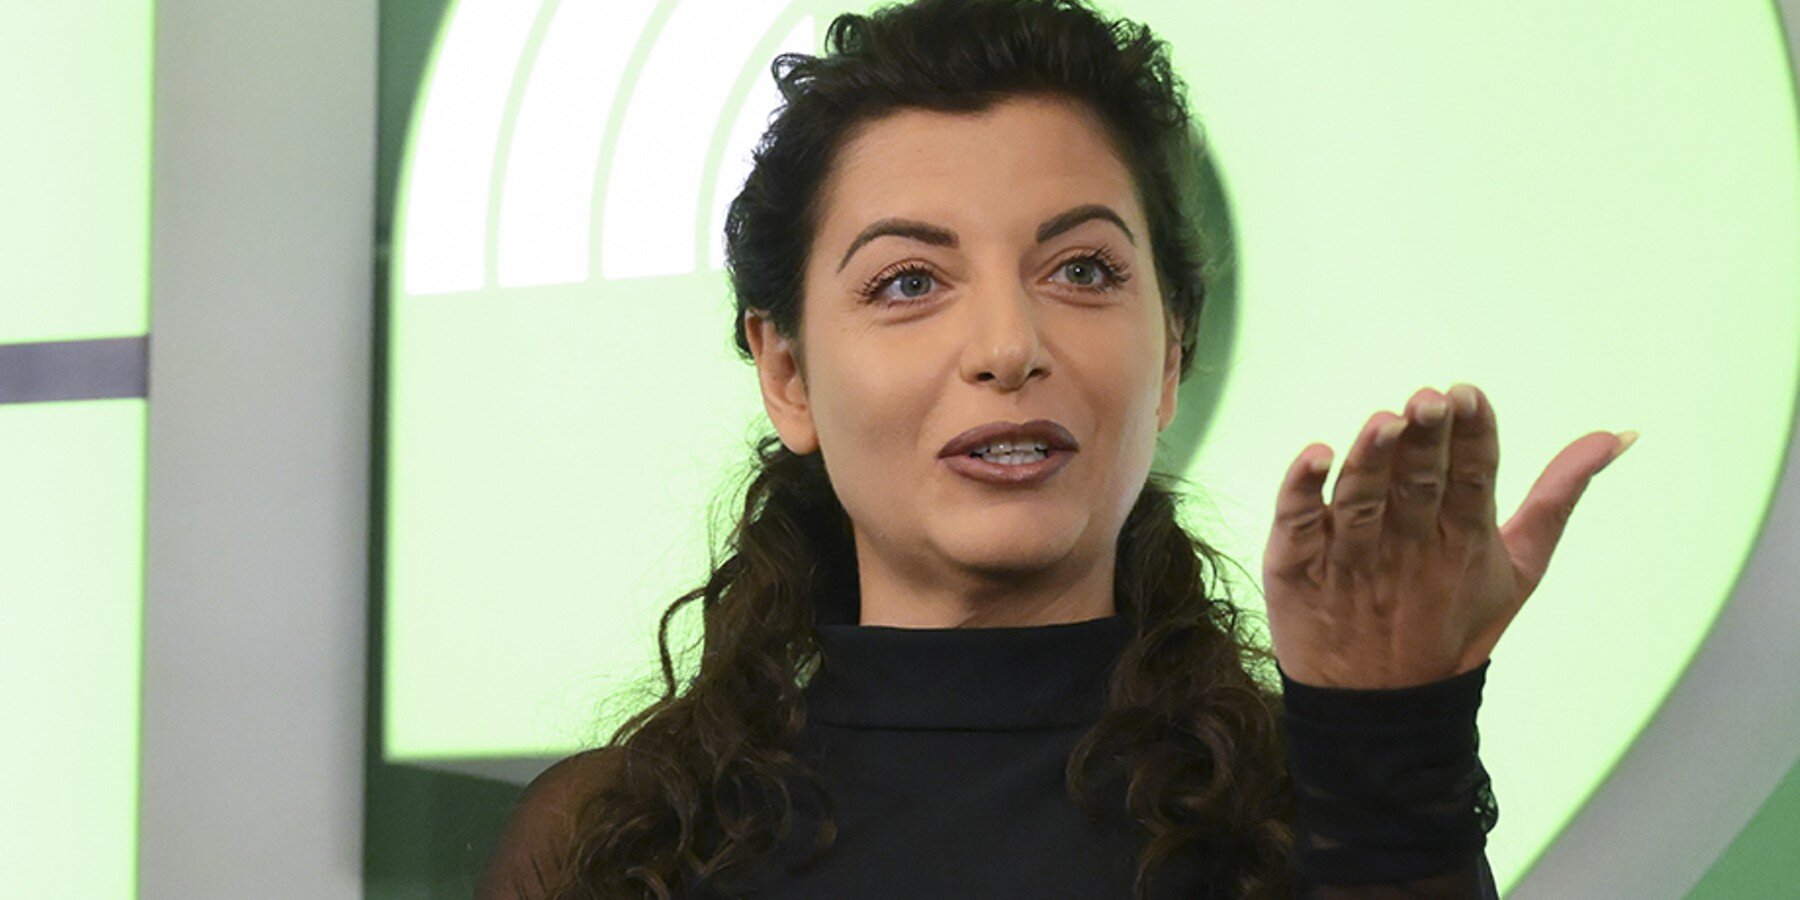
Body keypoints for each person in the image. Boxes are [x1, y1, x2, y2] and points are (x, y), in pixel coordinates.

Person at [476, 0, 1634, 896]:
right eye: (908, 282)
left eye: (1082, 270)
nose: (1008, 346)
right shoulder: (615, 843)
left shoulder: (1318, 810)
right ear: (787, 372)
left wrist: (1393, 746)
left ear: (1171, 353)